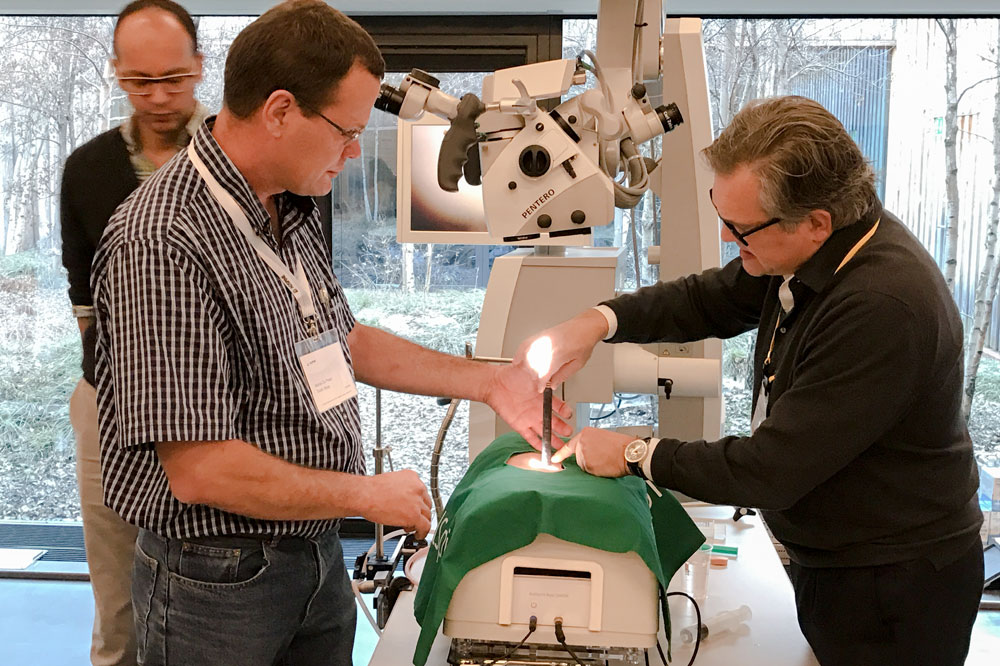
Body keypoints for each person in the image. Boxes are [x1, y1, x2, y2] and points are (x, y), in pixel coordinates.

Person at [89, 2, 569, 664]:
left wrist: (490, 382)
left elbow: (342, 340)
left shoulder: (287, 203)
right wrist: (366, 494)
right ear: (280, 111)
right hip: (218, 578)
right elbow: (201, 469)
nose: (353, 151)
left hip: (311, 553)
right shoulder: (162, 240)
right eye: (347, 130)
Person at [514, 96, 984, 666]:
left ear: (815, 222)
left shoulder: (882, 307)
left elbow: (771, 470)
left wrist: (636, 453)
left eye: (741, 230)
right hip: (840, 558)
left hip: (895, 584)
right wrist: (596, 322)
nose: (728, 238)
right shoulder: (813, 248)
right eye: (723, 216)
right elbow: (710, 299)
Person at [59, 2, 208, 664]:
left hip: (216, 411)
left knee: (216, 601)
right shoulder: (86, 169)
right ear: (116, 71)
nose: (158, 97)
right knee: (118, 607)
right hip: (109, 405)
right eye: (139, 81)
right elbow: (82, 293)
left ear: (200, 66)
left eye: (173, 78)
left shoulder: (237, 159)